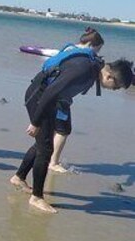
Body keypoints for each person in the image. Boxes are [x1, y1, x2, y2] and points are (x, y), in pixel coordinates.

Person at [9, 26, 133, 213]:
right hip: (39, 98)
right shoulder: (84, 69)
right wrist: (35, 121)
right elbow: (51, 91)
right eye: (115, 87)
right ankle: (37, 197)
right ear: (109, 76)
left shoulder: (96, 66)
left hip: (49, 101)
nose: (113, 90)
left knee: (43, 143)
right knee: (46, 149)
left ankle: (19, 177)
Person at [37, 27, 106, 174]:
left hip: (48, 90)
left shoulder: (69, 48)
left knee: (55, 128)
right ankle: (53, 162)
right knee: (63, 130)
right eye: (98, 49)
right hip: (60, 97)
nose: (97, 53)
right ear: (91, 45)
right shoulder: (85, 56)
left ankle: (48, 158)